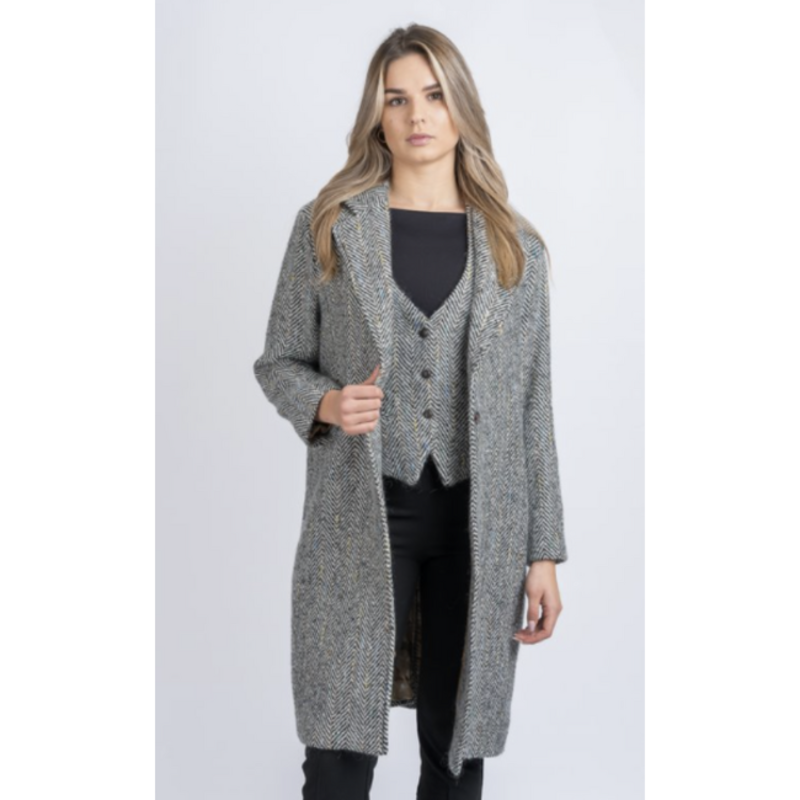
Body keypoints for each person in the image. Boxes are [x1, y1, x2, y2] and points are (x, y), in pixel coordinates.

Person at [253, 24, 567, 800]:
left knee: (456, 752)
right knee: (337, 755)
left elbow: (534, 406)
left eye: (433, 95)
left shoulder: (517, 248)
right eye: (396, 99)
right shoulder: (329, 225)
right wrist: (325, 401)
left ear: (461, 107)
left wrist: (543, 552)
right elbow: (278, 360)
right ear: (377, 115)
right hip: (358, 519)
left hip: (479, 527)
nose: (417, 115)